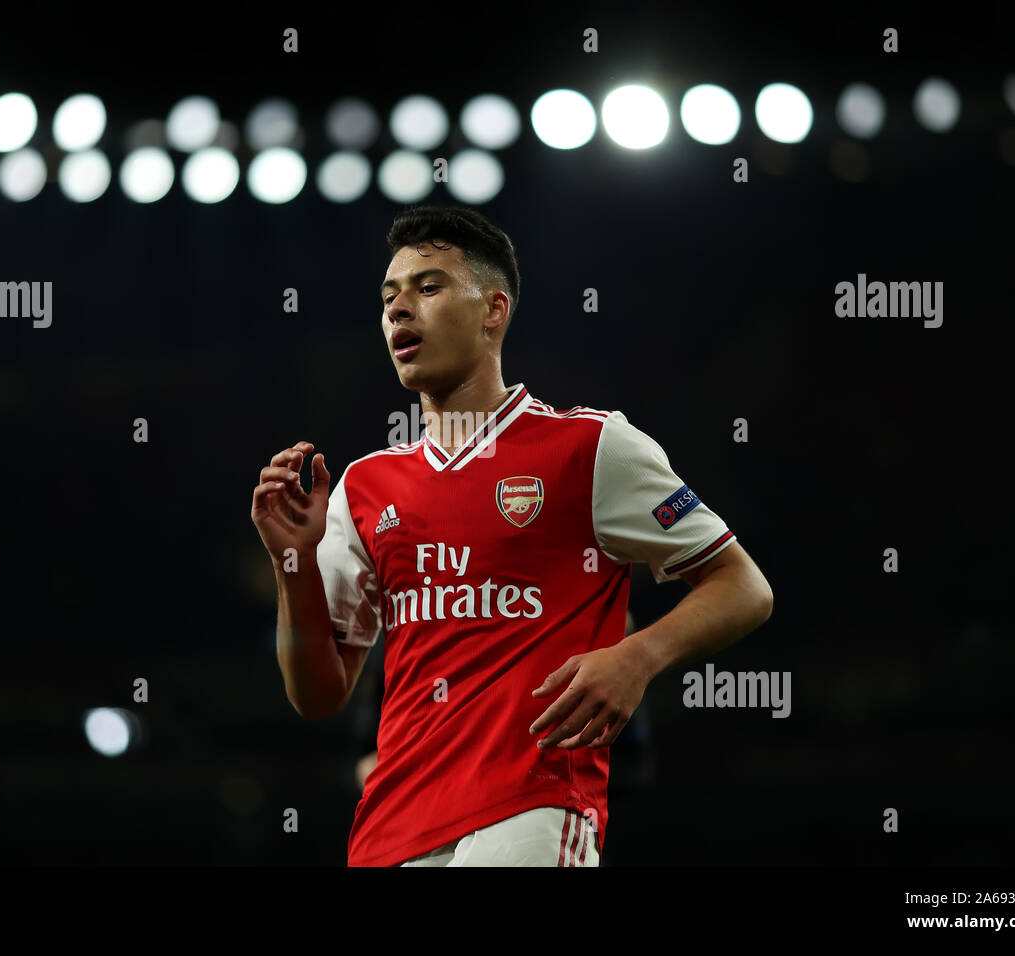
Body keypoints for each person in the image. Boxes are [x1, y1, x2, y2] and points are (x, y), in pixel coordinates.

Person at [251, 205, 773, 866]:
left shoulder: (591, 446)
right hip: (390, 824)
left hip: (532, 805)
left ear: (494, 309)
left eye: (428, 287)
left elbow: (744, 586)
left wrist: (637, 656)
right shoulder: (364, 486)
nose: (399, 309)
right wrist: (292, 562)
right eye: (389, 296)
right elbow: (318, 695)